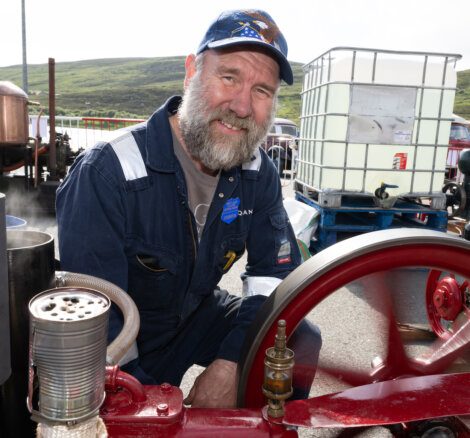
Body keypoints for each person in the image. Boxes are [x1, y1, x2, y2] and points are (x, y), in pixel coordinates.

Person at [56, 9, 321, 408]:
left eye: (262, 91)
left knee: (299, 339)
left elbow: (272, 274)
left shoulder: (257, 172)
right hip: (123, 338)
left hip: (195, 315)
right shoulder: (107, 172)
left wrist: (232, 363)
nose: (243, 106)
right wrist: (157, 405)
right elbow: (95, 322)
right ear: (192, 71)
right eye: (229, 77)